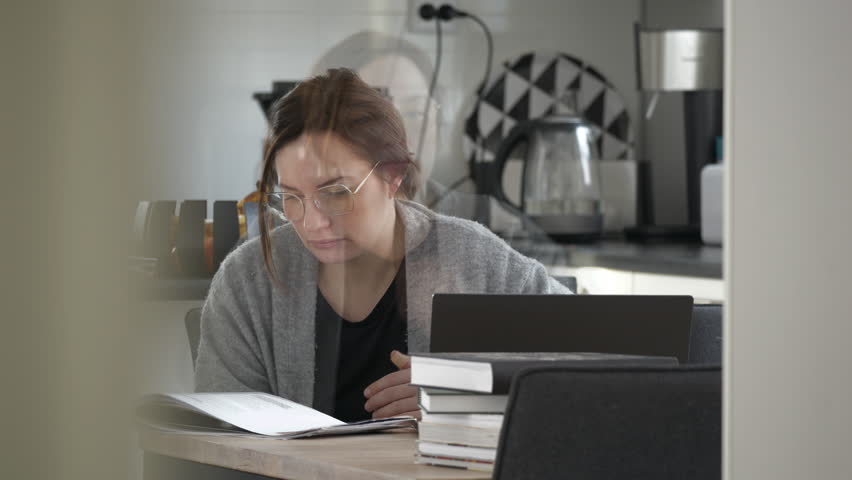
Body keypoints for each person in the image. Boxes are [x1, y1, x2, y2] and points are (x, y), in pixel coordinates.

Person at [194, 69, 571, 422]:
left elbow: (596, 370)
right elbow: (219, 440)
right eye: (290, 197)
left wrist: (468, 393)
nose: (312, 222)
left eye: (337, 193)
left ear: (393, 176)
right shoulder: (248, 281)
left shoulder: (474, 260)